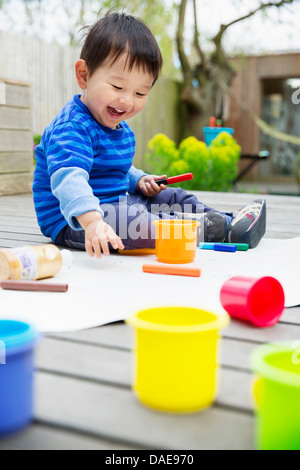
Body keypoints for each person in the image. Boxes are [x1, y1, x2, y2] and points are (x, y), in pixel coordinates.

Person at [33, 10, 266, 259]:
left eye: (140, 94)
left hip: (117, 205)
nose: (126, 101)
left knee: (171, 195)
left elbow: (116, 169)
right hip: (75, 220)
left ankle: (227, 221)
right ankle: (201, 229)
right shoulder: (71, 127)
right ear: (84, 75)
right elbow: (69, 179)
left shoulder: (117, 126)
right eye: (117, 87)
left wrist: (139, 179)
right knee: (137, 223)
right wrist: (92, 223)